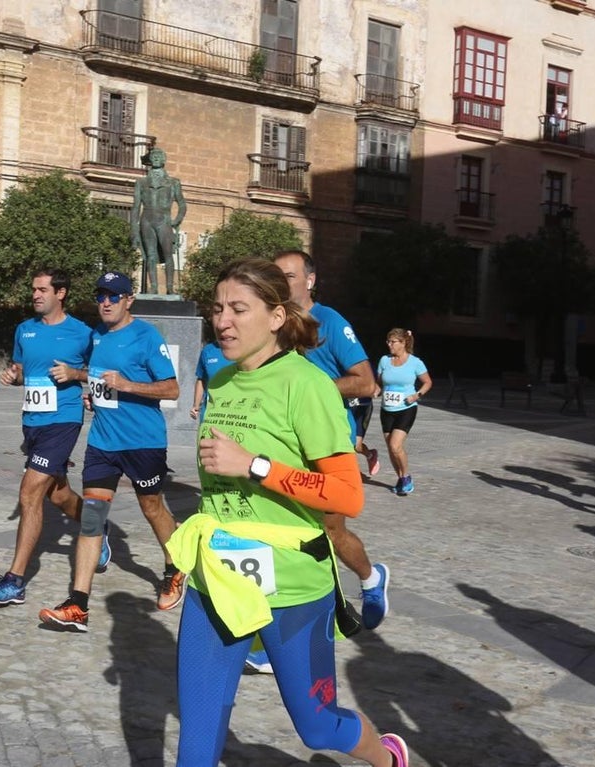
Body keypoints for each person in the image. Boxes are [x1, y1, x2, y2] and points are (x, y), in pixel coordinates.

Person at [166, 257, 410, 767]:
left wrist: (254, 465)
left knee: (316, 725)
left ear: (277, 316)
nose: (223, 321)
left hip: (294, 586)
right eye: (217, 309)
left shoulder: (308, 385)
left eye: (239, 309)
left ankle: (387, 758)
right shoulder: (223, 380)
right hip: (218, 578)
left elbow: (348, 496)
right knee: (198, 734)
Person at [37, 270, 184, 631]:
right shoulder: (97, 336)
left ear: (128, 300)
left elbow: (172, 389)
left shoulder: (147, 336)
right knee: (91, 519)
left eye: (113, 296)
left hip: (143, 441)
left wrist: (129, 385)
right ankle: (78, 604)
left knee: (151, 507)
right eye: (101, 296)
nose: (105, 302)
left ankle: (175, 566)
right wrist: (87, 386)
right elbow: (99, 375)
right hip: (103, 442)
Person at [273, 249, 389, 632]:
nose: (282, 282)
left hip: (324, 445)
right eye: (277, 276)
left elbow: (366, 383)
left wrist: (314, 390)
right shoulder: (273, 324)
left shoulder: (329, 322)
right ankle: (282, 632)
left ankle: (371, 579)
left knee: (331, 530)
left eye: (289, 276)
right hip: (282, 443)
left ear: (310, 280)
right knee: (284, 532)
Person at [0, 268, 94, 606]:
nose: (36, 295)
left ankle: (15, 581)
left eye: (43, 289)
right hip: (32, 422)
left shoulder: (82, 333)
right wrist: (13, 377)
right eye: (34, 290)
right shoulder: (24, 330)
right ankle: (96, 529)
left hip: (64, 419)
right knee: (57, 495)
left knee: (30, 493)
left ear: (61, 293)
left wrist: (76, 374)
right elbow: (22, 372)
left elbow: (100, 372)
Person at [376, 328, 432, 496]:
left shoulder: (415, 362)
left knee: (395, 445)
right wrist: (374, 391)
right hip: (387, 409)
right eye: (388, 341)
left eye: (393, 342)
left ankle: (406, 477)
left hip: (406, 409)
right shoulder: (384, 361)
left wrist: (417, 395)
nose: (389, 345)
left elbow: (427, 382)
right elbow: (379, 383)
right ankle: (401, 479)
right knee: (391, 448)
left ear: (403, 343)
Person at [131, 147, 187, 295]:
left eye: (159, 156)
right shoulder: (141, 182)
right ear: (150, 160)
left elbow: (182, 204)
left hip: (164, 220)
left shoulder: (173, 182)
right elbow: (136, 207)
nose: (156, 158)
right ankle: (154, 287)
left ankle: (169, 287)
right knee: (150, 255)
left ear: (164, 160)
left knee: (168, 254)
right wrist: (134, 231)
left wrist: (177, 220)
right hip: (146, 220)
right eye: (153, 156)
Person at [189, 339, 230, 421]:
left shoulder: (241, 350)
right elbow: (201, 379)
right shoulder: (207, 351)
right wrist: (196, 406)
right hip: (209, 413)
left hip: (234, 412)